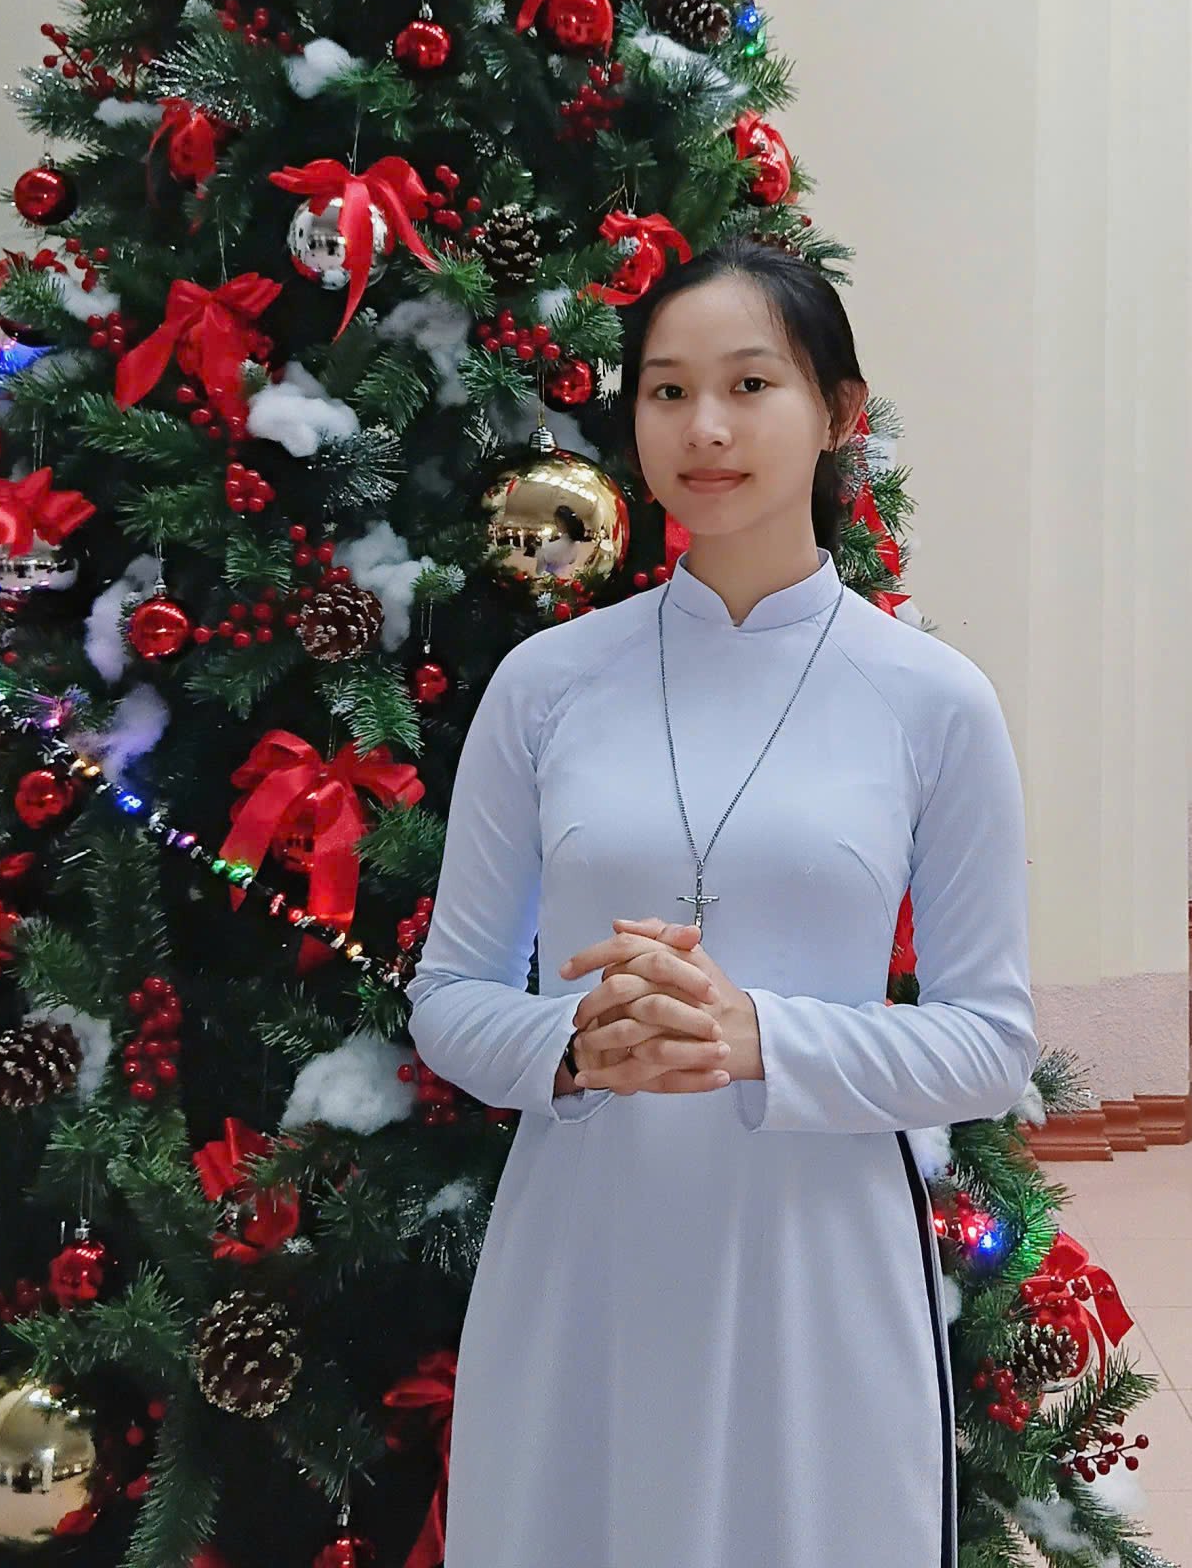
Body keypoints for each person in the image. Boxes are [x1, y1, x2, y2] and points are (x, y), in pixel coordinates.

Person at [405, 233, 1038, 1568]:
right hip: (585, 1246)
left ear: (839, 413)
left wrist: (760, 1036)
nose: (705, 427)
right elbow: (450, 997)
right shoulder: (546, 686)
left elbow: (990, 1042)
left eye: (751, 385)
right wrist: (575, 1043)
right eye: (667, 390)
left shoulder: (932, 701)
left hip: (820, 1257)